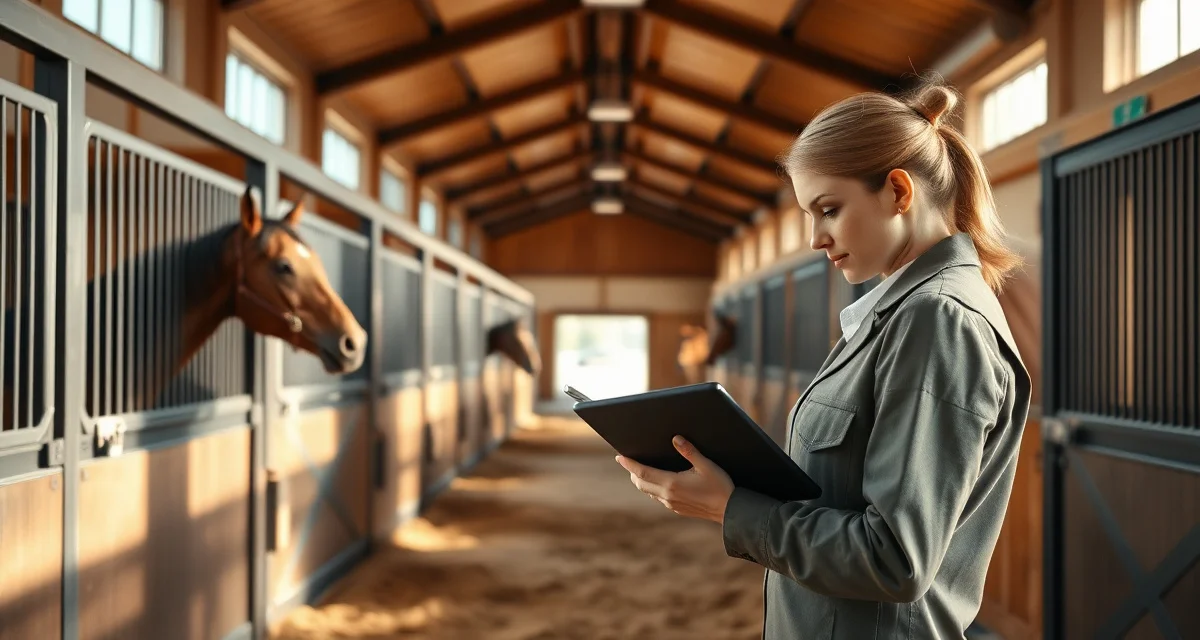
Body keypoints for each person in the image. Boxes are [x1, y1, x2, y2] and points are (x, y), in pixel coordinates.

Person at [616, 82, 1032, 639]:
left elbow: (894, 559)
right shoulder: (897, 314)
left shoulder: (936, 321)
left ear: (899, 192)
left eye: (829, 210)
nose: (816, 239)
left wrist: (733, 510)